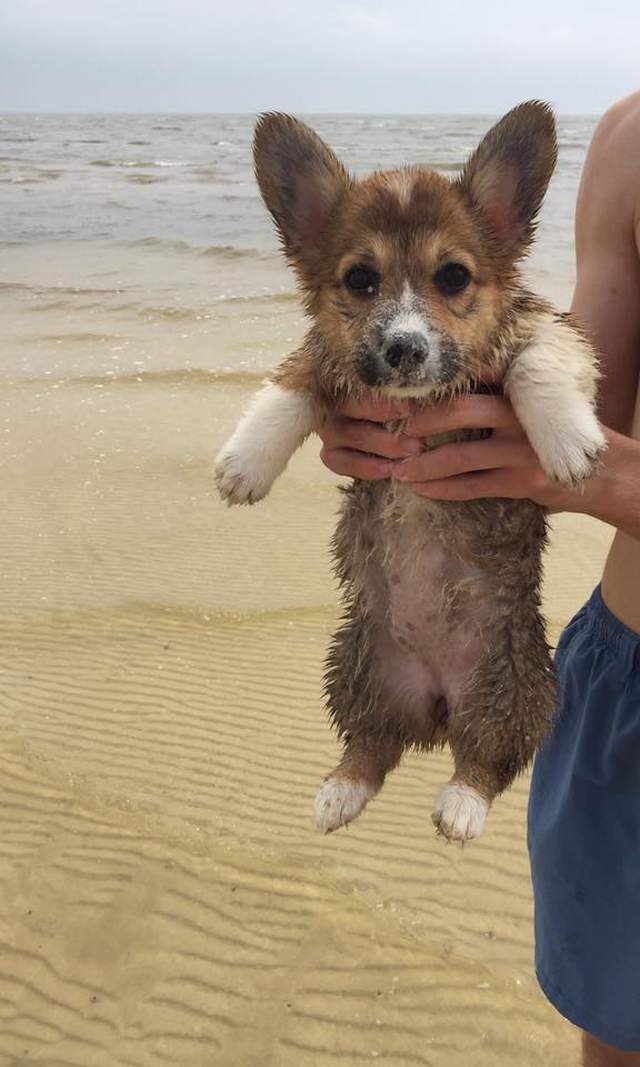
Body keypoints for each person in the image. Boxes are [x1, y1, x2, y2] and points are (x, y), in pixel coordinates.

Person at [317, 91, 640, 1066]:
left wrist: (621, 475)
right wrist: (415, 418)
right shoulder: (630, 139)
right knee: (618, 1027)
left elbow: (608, 461)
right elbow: (580, 401)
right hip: (625, 685)